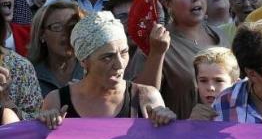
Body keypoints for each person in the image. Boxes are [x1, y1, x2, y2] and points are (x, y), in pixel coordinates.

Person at [33, 12, 174, 128]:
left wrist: (165, 121)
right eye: (107, 57)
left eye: (124, 52)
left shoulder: (146, 97)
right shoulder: (57, 101)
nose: (119, 64)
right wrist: (46, 123)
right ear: (83, 61)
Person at [153, 0, 224, 119]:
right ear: (167, 3)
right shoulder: (158, 43)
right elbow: (143, 96)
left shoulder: (222, 36)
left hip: (227, 131)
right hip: (179, 133)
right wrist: (156, 54)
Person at [27, 0, 85, 96]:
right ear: (42, 34)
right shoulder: (27, 73)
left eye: (72, 26)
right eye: (57, 27)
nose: (66, 33)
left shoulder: (95, 69)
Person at [188, 46, 239, 120]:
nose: (210, 87)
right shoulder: (196, 116)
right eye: (203, 81)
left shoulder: (247, 115)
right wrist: (191, 123)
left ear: (236, 84)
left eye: (219, 81)